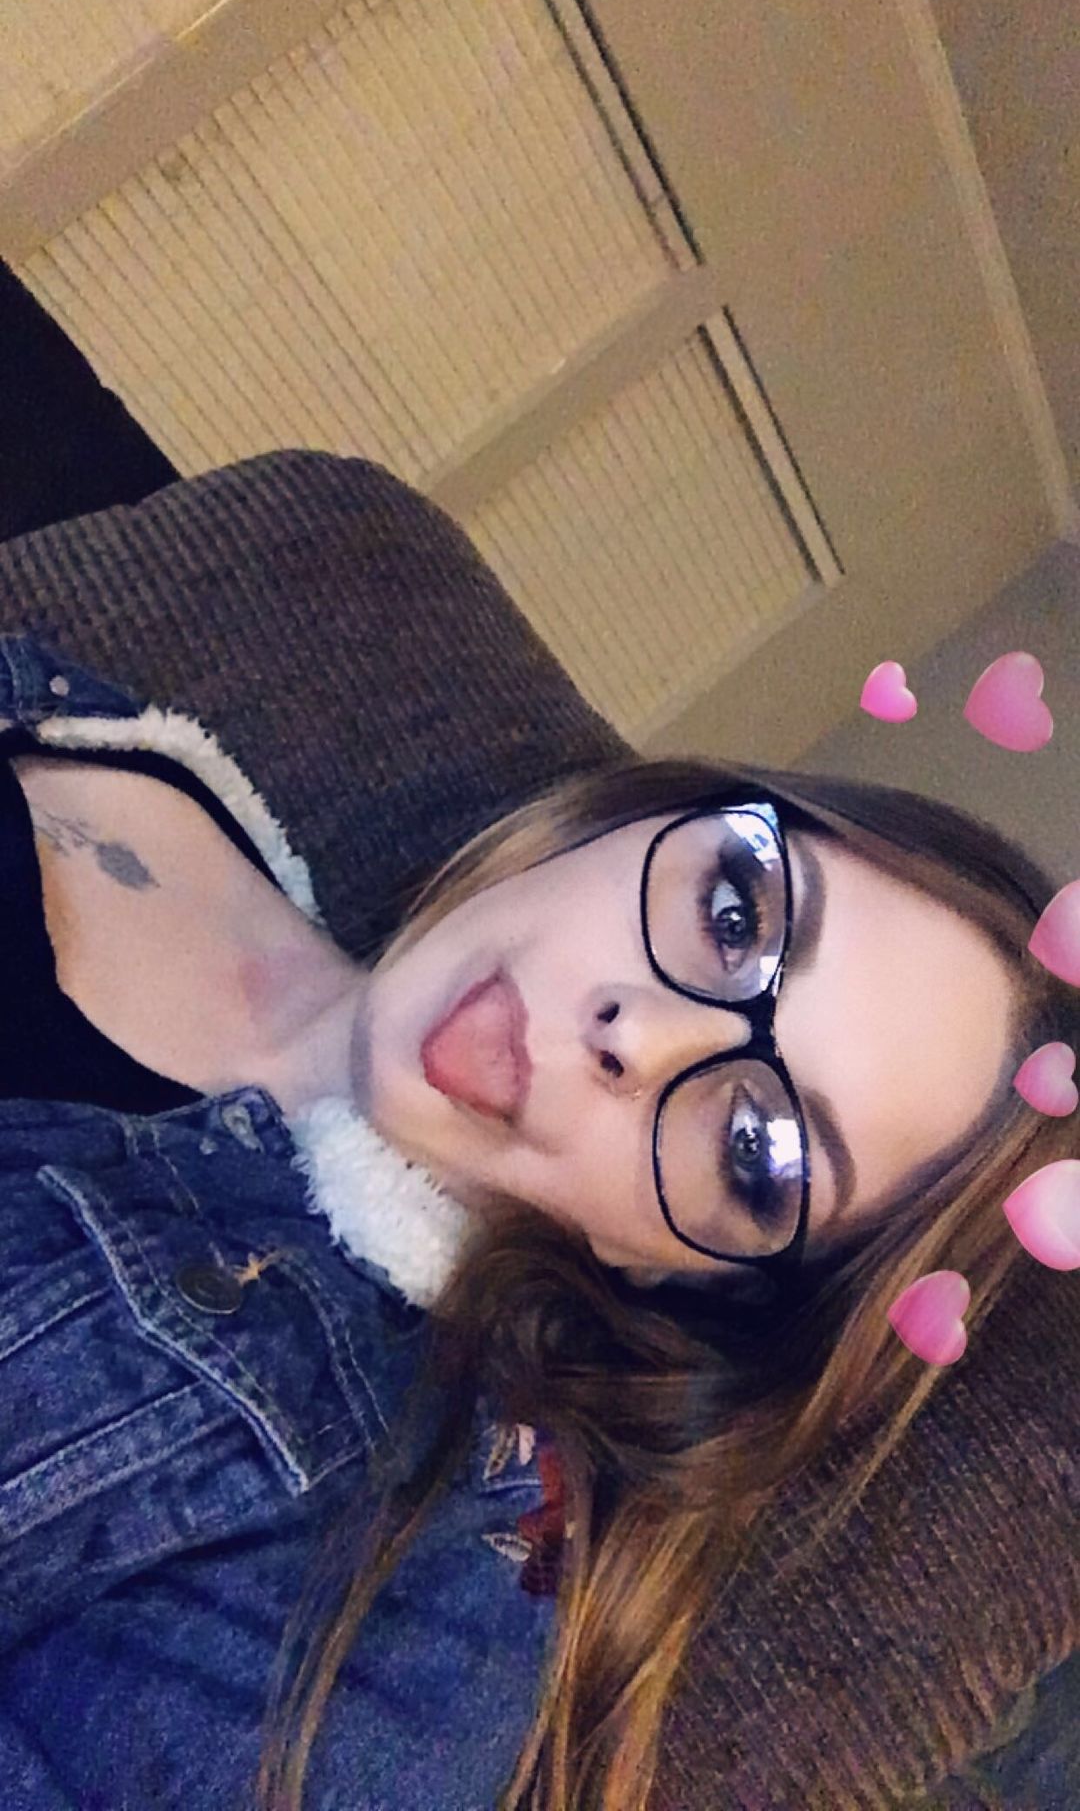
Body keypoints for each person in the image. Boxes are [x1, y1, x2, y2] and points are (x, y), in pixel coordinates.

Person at [0, 628, 1075, 1811]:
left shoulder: (398, 1622)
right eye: (734, 914)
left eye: (754, 1149)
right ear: (639, 819)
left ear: (683, 1282)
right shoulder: (123, 741)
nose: (641, 1034)